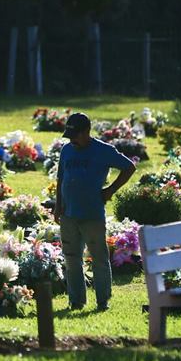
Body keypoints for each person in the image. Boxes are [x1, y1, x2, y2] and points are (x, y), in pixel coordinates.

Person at [55, 112, 138, 311]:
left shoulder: (103, 150)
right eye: (69, 135)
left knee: (99, 258)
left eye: (75, 135)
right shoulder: (67, 150)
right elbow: (60, 180)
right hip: (68, 214)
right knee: (71, 257)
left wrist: (110, 190)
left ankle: (103, 301)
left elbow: (129, 167)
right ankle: (76, 301)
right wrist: (58, 205)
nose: (72, 140)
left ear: (87, 132)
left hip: (92, 214)